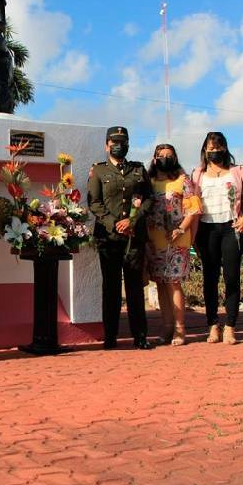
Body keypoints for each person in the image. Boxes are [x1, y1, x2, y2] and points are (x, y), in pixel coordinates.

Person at [192, 132, 243, 345]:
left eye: (218, 148)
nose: (215, 152)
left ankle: (230, 325)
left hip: (232, 228)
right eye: (211, 149)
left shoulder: (238, 171)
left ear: (225, 149)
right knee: (210, 279)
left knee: (231, 277)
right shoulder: (197, 174)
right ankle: (213, 324)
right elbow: (190, 201)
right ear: (205, 150)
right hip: (206, 229)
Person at [87, 126, 153, 350]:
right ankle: (111, 337)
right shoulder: (98, 171)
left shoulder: (138, 169)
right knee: (111, 288)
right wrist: (114, 224)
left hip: (134, 237)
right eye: (114, 141)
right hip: (109, 238)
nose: (119, 145)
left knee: (135, 287)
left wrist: (132, 221)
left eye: (123, 141)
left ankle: (140, 336)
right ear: (106, 145)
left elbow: (148, 199)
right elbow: (94, 203)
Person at [146, 144, 201, 346]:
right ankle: (166, 326)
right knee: (160, 283)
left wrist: (181, 229)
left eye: (170, 156)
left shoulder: (182, 180)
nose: (165, 159)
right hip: (155, 240)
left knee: (173, 283)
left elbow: (193, 209)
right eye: (161, 156)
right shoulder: (149, 182)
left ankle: (180, 329)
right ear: (154, 159)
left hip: (177, 239)